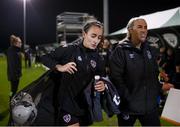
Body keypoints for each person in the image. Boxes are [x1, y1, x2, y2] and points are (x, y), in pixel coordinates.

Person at [39, 19, 106, 126]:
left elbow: (101, 77)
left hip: (85, 105)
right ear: (84, 34)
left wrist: (103, 84)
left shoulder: (99, 58)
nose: (96, 41)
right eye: (93, 36)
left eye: (99, 37)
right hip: (67, 105)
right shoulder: (70, 50)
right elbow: (44, 57)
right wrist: (59, 67)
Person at [109, 17, 173, 126]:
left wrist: (158, 88)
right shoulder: (120, 50)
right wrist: (128, 99)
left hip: (149, 106)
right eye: (139, 27)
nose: (144, 30)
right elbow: (116, 79)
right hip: (128, 107)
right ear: (130, 30)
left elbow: (154, 74)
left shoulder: (149, 50)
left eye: (145, 27)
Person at [6, 35, 22, 99]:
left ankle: (12, 100)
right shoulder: (12, 51)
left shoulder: (15, 50)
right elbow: (12, 65)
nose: (21, 44)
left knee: (14, 89)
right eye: (20, 42)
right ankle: (11, 102)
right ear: (16, 43)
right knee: (13, 90)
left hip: (15, 75)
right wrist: (15, 75)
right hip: (14, 75)